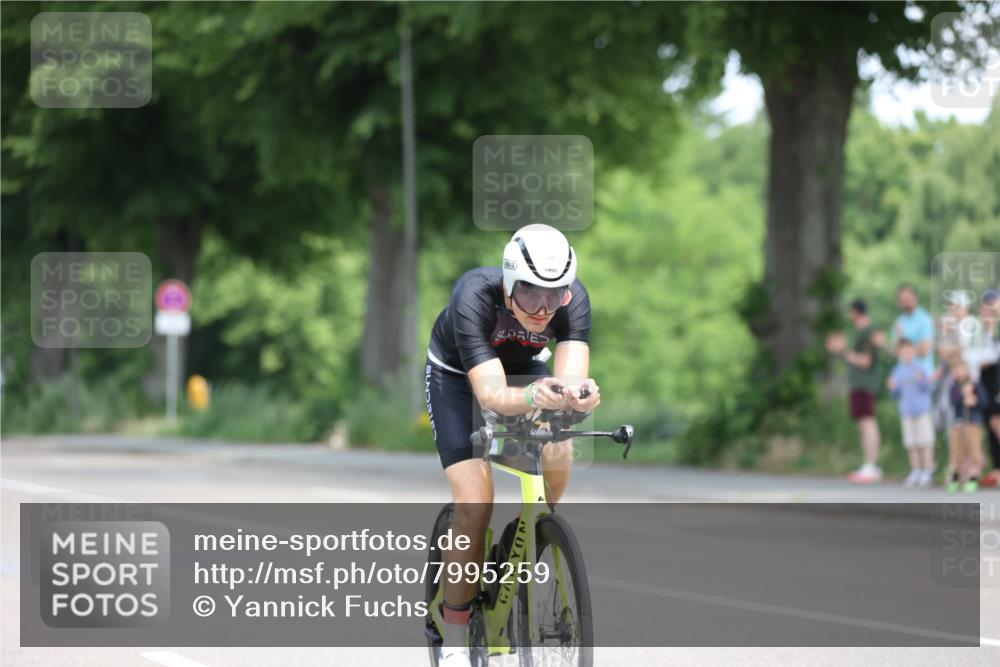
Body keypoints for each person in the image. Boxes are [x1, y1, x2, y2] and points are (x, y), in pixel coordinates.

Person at [424, 224, 600, 666]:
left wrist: (579, 397)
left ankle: (519, 542)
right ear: (508, 282)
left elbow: (571, 379)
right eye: (529, 294)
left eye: (554, 294)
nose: (543, 309)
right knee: (475, 501)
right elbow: (491, 396)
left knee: (559, 444)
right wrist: (528, 398)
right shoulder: (473, 296)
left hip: (525, 371)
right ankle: (456, 641)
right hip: (460, 379)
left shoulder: (572, 300)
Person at [826, 299, 883, 483]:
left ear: (856, 312)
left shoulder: (867, 333)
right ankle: (868, 463)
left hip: (866, 384)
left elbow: (865, 361)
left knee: (868, 423)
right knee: (862, 424)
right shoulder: (859, 333)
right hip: (858, 385)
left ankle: (872, 465)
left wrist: (844, 351)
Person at [887, 339, 936, 487]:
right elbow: (895, 393)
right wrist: (892, 387)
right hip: (907, 411)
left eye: (909, 351)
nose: (907, 354)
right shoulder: (897, 370)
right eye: (903, 352)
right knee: (911, 443)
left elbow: (929, 389)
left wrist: (923, 380)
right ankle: (916, 470)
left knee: (925, 442)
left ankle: (927, 470)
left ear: (914, 352)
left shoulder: (921, 367)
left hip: (921, 410)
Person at [946, 360, 989, 492]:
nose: (959, 372)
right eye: (956, 370)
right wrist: (962, 396)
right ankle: (955, 476)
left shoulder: (976, 385)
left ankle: (973, 477)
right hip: (958, 423)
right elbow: (953, 403)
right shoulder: (954, 387)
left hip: (973, 422)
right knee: (957, 451)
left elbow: (984, 403)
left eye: (961, 369)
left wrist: (973, 399)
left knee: (974, 450)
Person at [972, 289, 1000, 485]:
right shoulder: (981, 329)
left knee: (996, 422)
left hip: (997, 379)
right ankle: (997, 469)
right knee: (991, 424)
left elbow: (988, 357)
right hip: (987, 383)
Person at [890, 284, 935, 376]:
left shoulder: (925, 319)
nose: (906, 302)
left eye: (908, 299)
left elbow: (925, 351)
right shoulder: (899, 321)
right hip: (903, 376)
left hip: (921, 376)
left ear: (916, 298)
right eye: (903, 300)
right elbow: (895, 353)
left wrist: (903, 341)